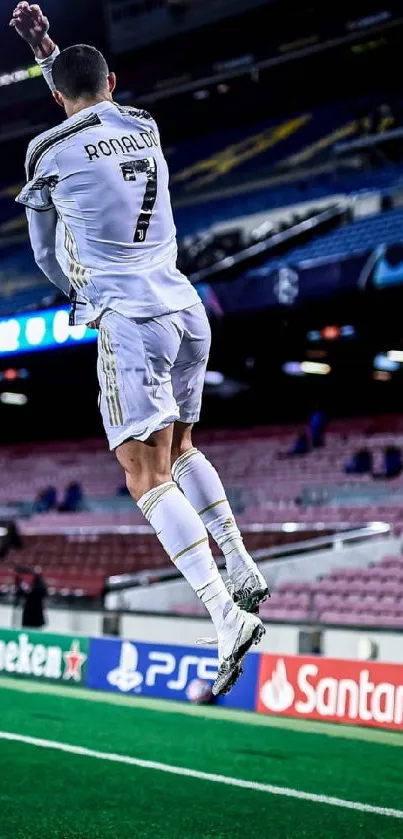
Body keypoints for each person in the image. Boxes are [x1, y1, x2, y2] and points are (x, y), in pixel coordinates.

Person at [10, 3, 267, 696]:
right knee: (181, 449)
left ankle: (222, 614)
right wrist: (49, 53)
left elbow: (43, 250)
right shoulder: (144, 124)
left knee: (142, 472)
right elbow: (86, 103)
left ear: (56, 95)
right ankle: (240, 564)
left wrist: (79, 293)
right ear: (115, 81)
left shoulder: (43, 151)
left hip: (129, 316)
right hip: (185, 306)